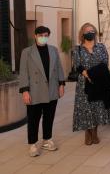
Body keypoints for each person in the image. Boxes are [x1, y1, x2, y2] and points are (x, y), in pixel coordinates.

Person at [19, 26, 65, 157]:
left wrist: (61, 84)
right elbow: (23, 73)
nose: (43, 37)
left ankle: (47, 139)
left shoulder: (53, 50)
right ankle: (32, 144)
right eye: (40, 35)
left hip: (51, 89)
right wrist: (25, 91)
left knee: (49, 117)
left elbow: (59, 68)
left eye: (46, 35)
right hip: (35, 90)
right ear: (35, 36)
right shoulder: (27, 52)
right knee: (33, 118)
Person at [73, 23, 110, 145]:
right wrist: (87, 75)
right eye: (87, 30)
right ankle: (88, 133)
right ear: (82, 33)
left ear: (95, 33)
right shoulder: (78, 49)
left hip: (99, 82)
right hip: (84, 83)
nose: (90, 32)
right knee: (86, 108)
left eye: (92, 30)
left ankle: (95, 132)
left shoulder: (101, 47)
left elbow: (104, 63)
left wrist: (93, 74)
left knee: (97, 107)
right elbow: (77, 65)